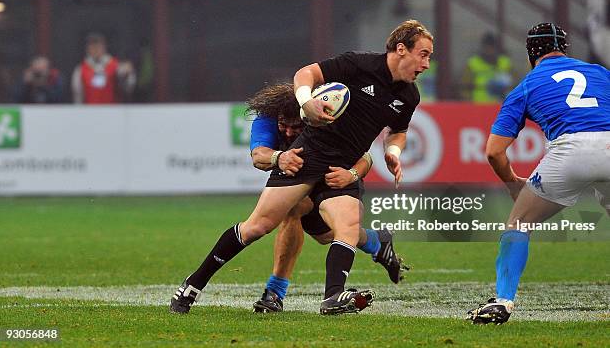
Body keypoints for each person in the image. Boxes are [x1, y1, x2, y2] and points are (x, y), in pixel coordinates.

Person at [170, 19, 433, 315]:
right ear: (401, 49)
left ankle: (332, 298)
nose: (426, 64)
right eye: (423, 54)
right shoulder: (358, 65)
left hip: (342, 167)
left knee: (344, 227)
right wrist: (305, 101)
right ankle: (192, 285)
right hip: (307, 156)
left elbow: (398, 130)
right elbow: (306, 73)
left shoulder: (409, 95)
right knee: (258, 226)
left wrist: (393, 151)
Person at [467, 22, 610, 324]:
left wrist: (511, 183)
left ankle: (503, 301)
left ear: (531, 52)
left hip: (570, 153)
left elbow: (494, 150)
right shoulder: (600, 72)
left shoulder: (529, 84)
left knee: (518, 224)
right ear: (564, 48)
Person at [245, 83, 408, 313]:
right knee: (307, 222)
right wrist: (279, 157)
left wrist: (350, 175)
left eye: (296, 127)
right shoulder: (268, 117)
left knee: (332, 232)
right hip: (300, 182)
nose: (289, 133)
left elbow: (366, 158)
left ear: (308, 117)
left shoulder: (325, 118)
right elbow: (258, 155)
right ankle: (377, 243)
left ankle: (276, 292)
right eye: (284, 126)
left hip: (334, 181)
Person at [71, 33, 136, 104]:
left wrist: (128, 74)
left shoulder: (116, 66)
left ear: (104, 47)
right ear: (87, 49)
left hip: (112, 111)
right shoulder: (80, 69)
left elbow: (128, 87)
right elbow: (77, 95)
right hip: (90, 112)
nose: (95, 49)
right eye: (92, 46)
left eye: (98, 46)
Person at [461, 32, 513, 103]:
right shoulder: (473, 64)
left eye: (492, 47)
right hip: (479, 106)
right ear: (482, 47)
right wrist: (469, 102)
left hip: (501, 106)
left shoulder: (505, 63)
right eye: (487, 47)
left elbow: (515, 84)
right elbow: (464, 86)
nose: (489, 51)